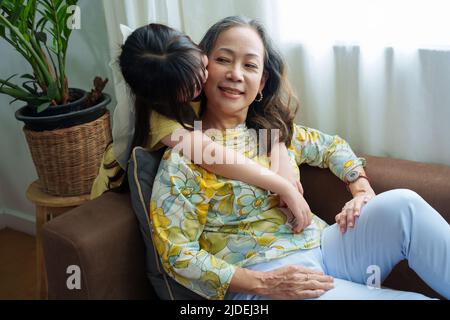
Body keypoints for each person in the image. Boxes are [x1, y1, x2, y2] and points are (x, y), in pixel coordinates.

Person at [149, 16, 450, 300]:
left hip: (326, 248)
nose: (235, 74)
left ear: (262, 82)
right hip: (266, 279)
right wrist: (265, 283)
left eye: (250, 65)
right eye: (223, 60)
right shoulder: (186, 156)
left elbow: (332, 147)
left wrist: (361, 190)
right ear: (201, 69)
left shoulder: (273, 134)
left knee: (403, 206)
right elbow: (176, 253)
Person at [90, 23, 308, 230]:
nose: (204, 78)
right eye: (193, 86)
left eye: (203, 65)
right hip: (117, 195)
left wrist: (281, 158)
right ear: (170, 96)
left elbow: (265, 117)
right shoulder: (162, 117)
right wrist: (282, 186)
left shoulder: (181, 62)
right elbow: (213, 155)